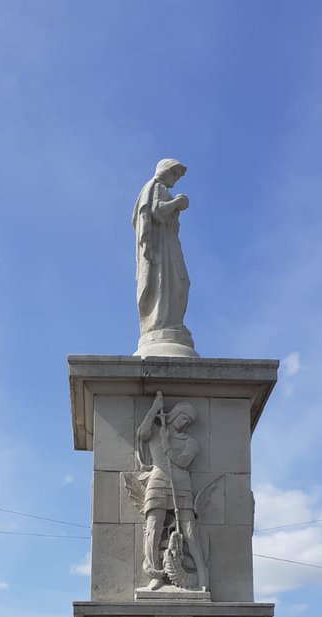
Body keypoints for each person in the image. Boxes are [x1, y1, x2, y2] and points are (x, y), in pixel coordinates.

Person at [136, 394, 209, 591]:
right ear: (174, 414)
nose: (184, 422)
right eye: (182, 417)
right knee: (153, 528)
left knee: (190, 530)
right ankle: (155, 574)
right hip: (157, 482)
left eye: (188, 420)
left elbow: (183, 461)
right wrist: (154, 409)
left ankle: (202, 574)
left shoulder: (191, 441)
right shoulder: (155, 431)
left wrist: (167, 443)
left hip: (182, 484)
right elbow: (142, 433)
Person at [132, 159, 194, 354]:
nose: (176, 179)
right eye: (175, 174)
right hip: (161, 246)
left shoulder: (159, 188)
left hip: (168, 242)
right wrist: (177, 203)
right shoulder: (156, 187)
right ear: (166, 171)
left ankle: (172, 323)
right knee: (170, 281)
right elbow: (157, 212)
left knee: (179, 282)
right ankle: (161, 322)